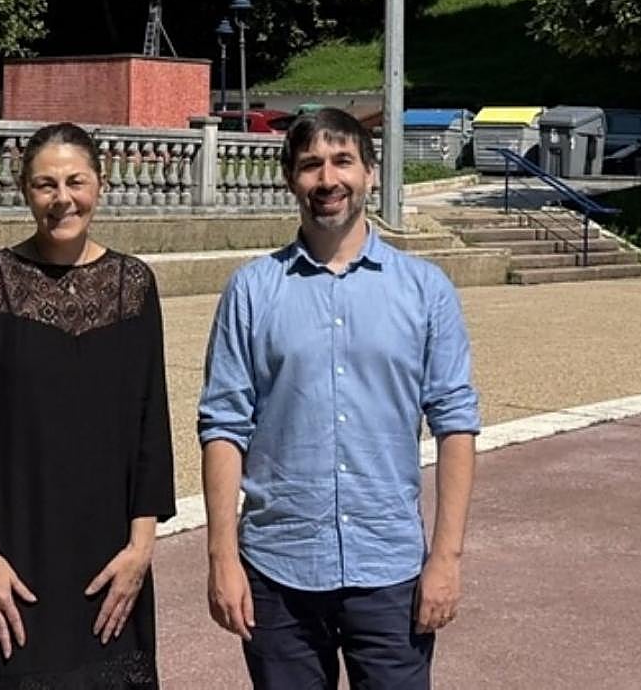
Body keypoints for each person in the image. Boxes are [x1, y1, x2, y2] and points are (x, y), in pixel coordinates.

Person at [197, 108, 480, 689]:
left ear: (371, 173)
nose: (328, 179)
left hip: (389, 570)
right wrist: (222, 558)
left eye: (342, 161)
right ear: (290, 179)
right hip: (279, 572)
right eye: (311, 165)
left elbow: (456, 425)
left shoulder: (425, 290)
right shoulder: (251, 291)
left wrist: (446, 560)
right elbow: (224, 426)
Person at [0, 122, 176, 689]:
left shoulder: (133, 286)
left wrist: (141, 550)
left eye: (75, 181)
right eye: (45, 184)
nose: (62, 198)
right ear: (24, 190)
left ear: (101, 185)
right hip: (11, 565)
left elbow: (151, 426)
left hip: (111, 564)